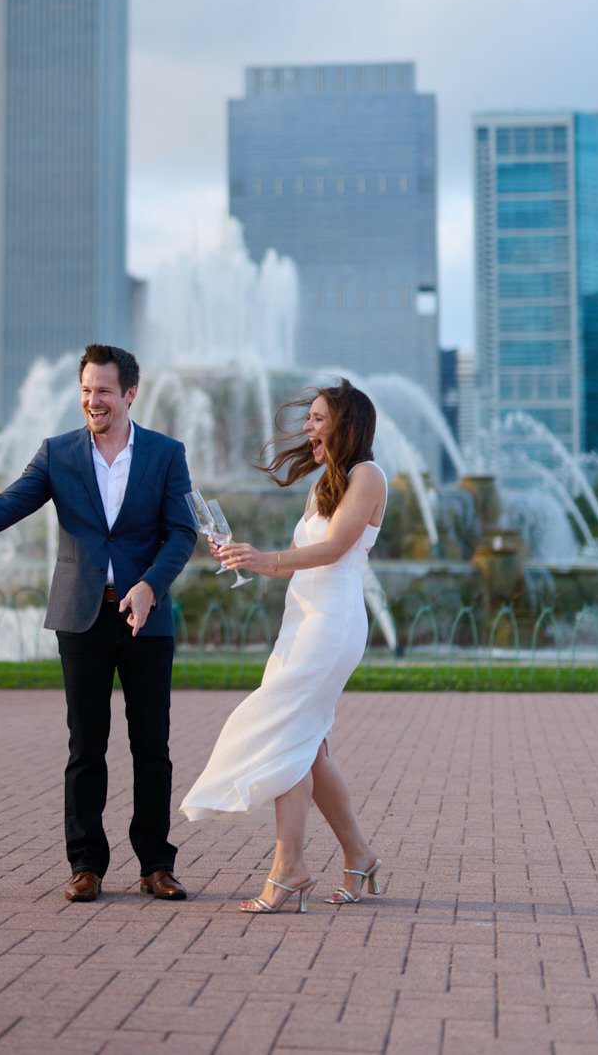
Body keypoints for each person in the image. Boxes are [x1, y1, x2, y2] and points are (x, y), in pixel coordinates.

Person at [0, 344, 196, 903]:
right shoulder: (58, 453)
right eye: (87, 390)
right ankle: (86, 865)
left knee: (153, 747)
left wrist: (149, 586)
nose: (94, 401)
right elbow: (10, 503)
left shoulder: (166, 454)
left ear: (130, 394)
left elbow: (182, 533)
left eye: (105, 392)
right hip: (80, 615)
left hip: (146, 617)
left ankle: (156, 865)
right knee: (86, 746)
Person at [180, 380, 387, 914]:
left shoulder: (368, 475)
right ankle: (359, 857)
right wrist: (249, 559)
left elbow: (334, 549)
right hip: (302, 622)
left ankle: (289, 870)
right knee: (309, 749)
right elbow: (302, 558)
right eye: (309, 418)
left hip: (332, 625)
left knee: (289, 736)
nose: (308, 428)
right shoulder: (325, 483)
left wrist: (263, 557)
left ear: (347, 426)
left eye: (319, 419)